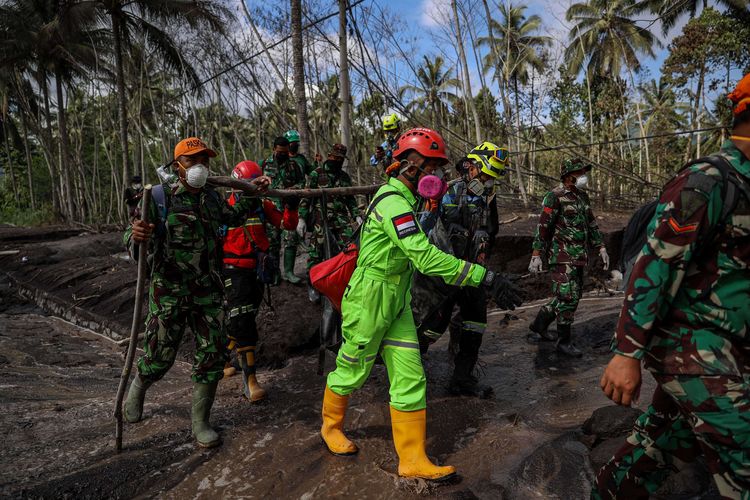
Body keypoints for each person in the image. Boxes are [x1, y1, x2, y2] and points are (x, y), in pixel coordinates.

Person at [320, 127, 522, 481]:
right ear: (412, 167)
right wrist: (484, 277)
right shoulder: (393, 203)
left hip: (396, 297)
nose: (441, 176)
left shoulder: (410, 201)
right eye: (435, 168)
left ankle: (412, 458)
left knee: (410, 375)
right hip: (370, 298)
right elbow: (426, 259)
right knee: (352, 371)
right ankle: (331, 428)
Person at [593, 73, 750, 499]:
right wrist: (626, 354)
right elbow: (654, 267)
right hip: (691, 346)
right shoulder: (710, 181)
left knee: (659, 448)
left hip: (727, 348)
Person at [122, 137, 270, 448]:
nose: (200, 166)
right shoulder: (159, 198)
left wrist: (255, 191)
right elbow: (132, 236)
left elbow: (233, 216)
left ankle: (200, 422)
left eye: (204, 159)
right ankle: (138, 388)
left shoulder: (212, 199)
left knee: (213, 355)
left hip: (208, 291)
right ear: (177, 166)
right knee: (160, 355)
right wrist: (137, 236)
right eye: (192, 160)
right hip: (169, 292)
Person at [414, 142, 508, 398]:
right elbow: (427, 231)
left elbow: (491, 233)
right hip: (446, 274)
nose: (489, 181)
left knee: (475, 325)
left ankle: (462, 378)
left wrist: (486, 268)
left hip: (474, 274)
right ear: (473, 168)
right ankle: (407, 373)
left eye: (493, 177)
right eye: (487, 175)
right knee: (431, 326)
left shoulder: (489, 199)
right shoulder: (448, 193)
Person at [222, 160, 299, 402]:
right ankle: (250, 381)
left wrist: (292, 206)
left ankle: (222, 356)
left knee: (245, 316)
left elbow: (287, 224)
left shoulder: (261, 205)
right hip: (233, 271)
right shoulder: (225, 208)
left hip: (257, 271)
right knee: (243, 320)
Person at [527, 158, 609, 357]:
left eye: (584, 172)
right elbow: (543, 227)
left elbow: (591, 224)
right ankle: (564, 342)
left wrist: (601, 247)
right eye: (580, 172)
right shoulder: (554, 197)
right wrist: (536, 254)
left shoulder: (582, 197)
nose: (584, 176)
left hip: (580, 256)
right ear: (568, 175)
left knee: (569, 296)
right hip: (562, 257)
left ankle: (539, 325)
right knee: (569, 298)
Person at [297, 143, 362, 299]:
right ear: (330, 156)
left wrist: (356, 215)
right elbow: (306, 198)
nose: (338, 161)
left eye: (341, 159)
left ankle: (347, 281)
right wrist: (302, 218)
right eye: (336, 157)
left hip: (341, 219)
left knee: (349, 248)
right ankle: (313, 284)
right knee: (316, 252)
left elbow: (350, 200)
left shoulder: (344, 177)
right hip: (321, 217)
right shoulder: (316, 174)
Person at [262, 136, 306, 284]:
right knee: (272, 242)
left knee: (291, 239)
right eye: (280, 151)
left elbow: (302, 182)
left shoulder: (293, 165)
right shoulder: (264, 164)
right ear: (274, 149)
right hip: (271, 209)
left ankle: (289, 272)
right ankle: (275, 273)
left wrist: (293, 190)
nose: (283, 154)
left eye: (286, 152)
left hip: (289, 208)